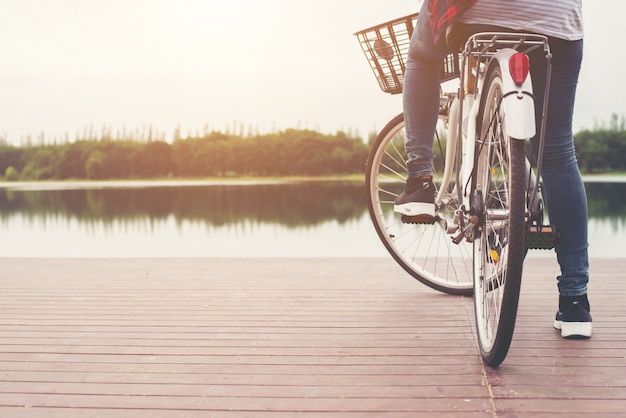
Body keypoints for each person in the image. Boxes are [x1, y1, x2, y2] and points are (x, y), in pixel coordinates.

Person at [394, 0, 592, 338]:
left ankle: (420, 179)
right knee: (557, 153)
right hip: (556, 24)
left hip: (478, 17)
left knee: (421, 56)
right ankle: (575, 302)